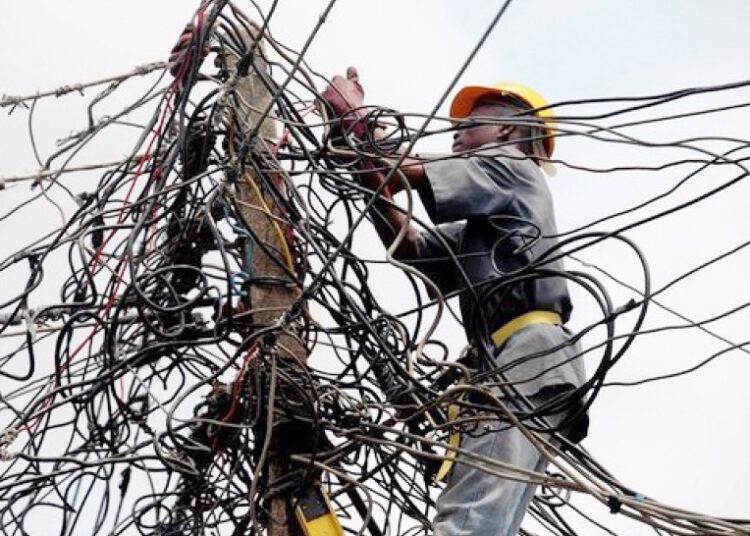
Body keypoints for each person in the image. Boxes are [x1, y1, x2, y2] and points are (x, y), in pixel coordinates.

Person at [321, 68, 587, 536]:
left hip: (528, 354)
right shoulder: (484, 227)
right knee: (488, 517)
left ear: (507, 130)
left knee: (470, 517)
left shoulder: (510, 166)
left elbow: (403, 169)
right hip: (521, 366)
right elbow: (409, 247)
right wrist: (365, 170)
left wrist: (358, 120)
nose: (456, 135)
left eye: (469, 125)